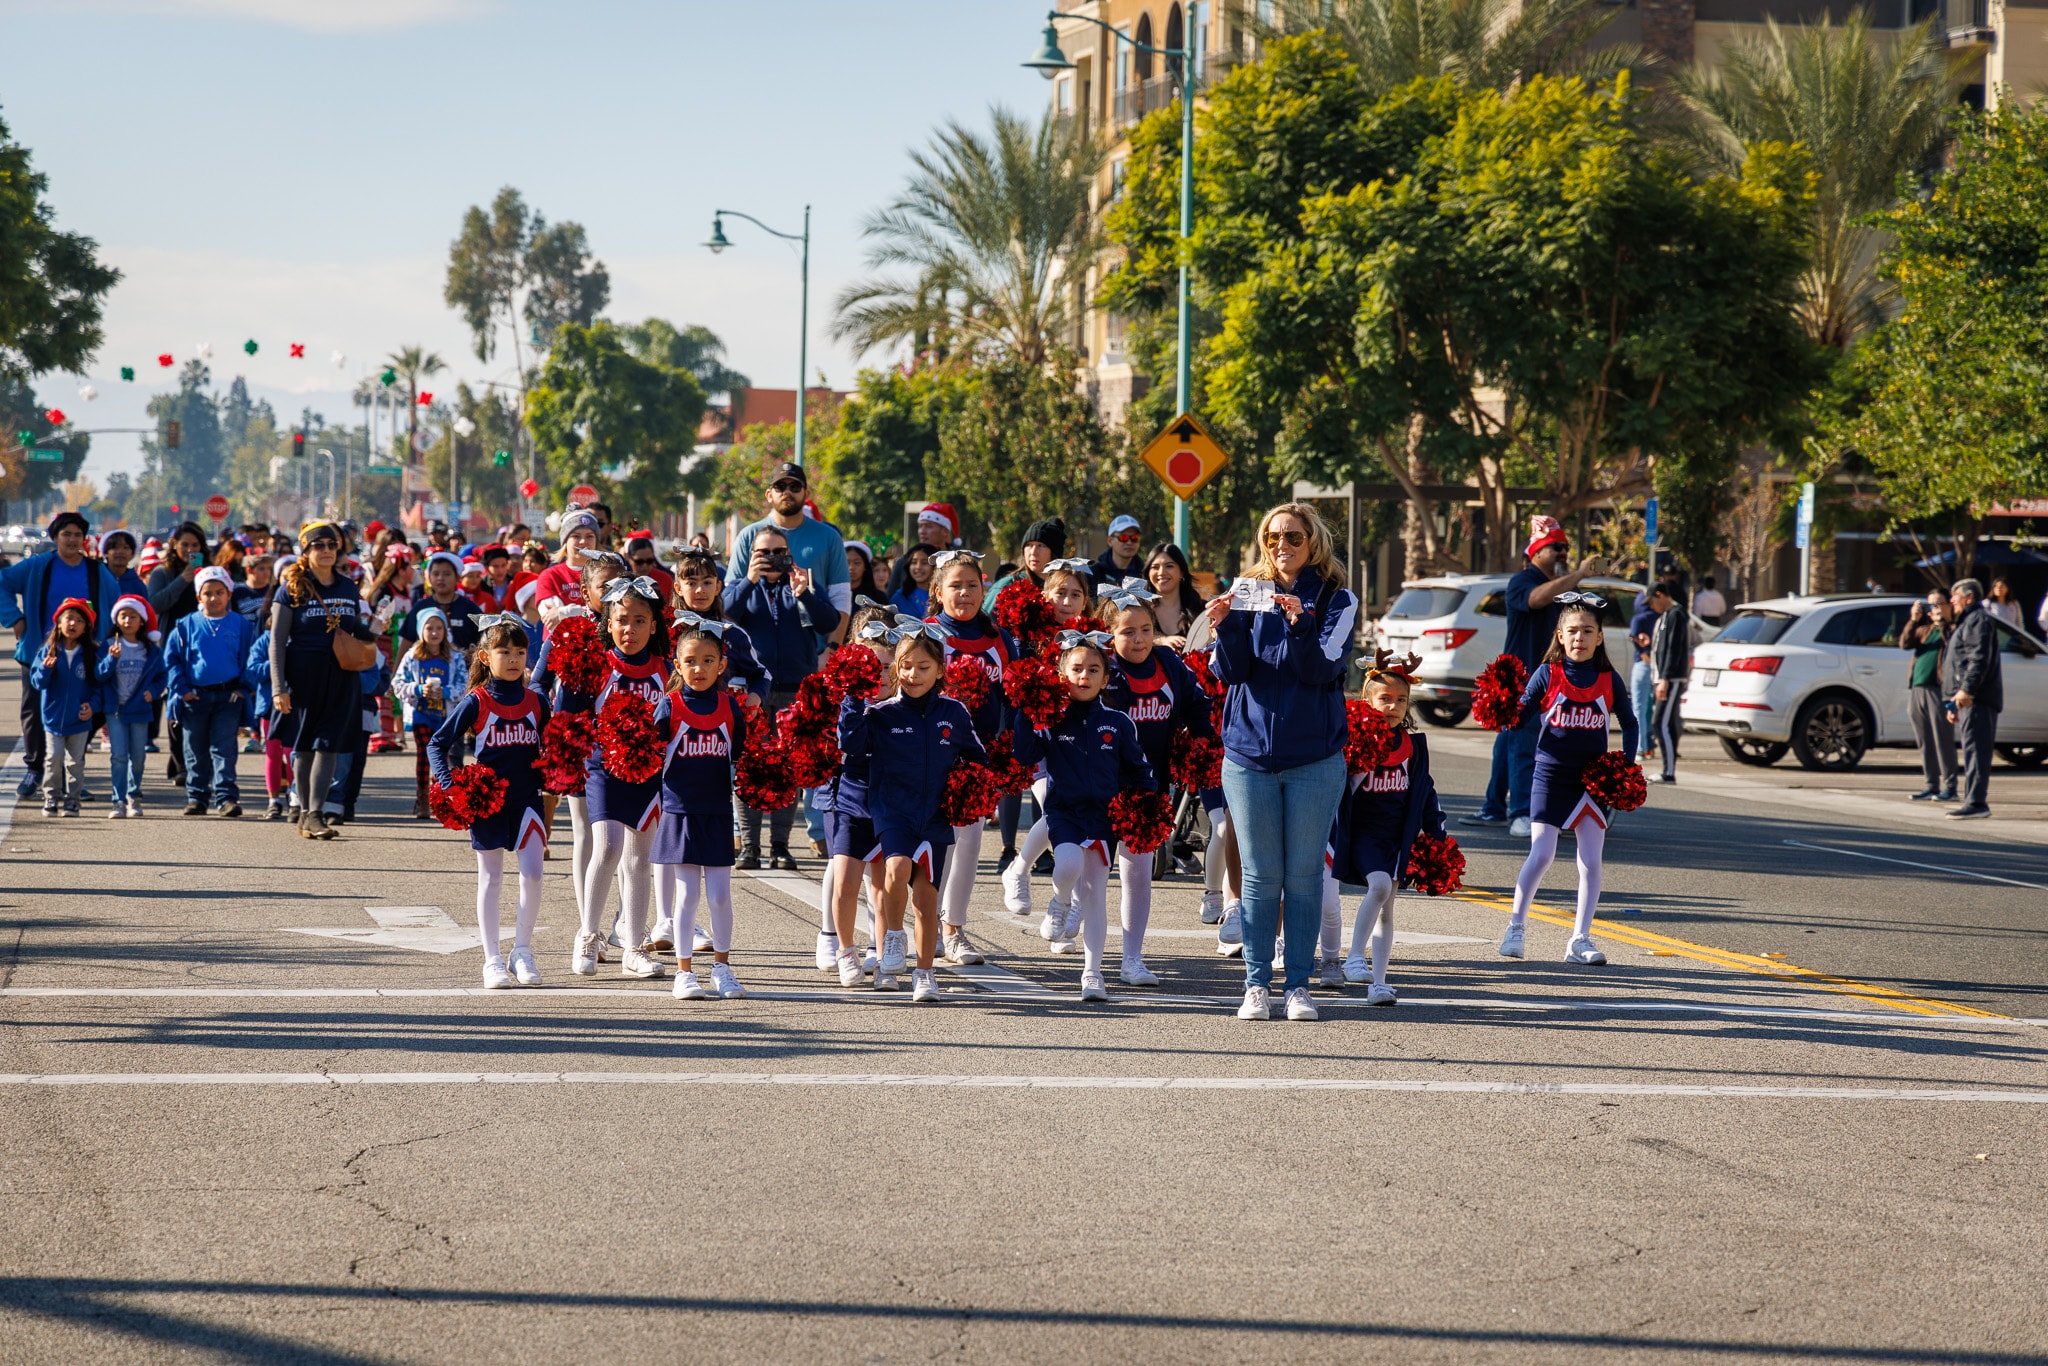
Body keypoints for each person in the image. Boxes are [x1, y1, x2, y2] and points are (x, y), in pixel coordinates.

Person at [1200, 502, 1359, 1023]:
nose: (1281, 545)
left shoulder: (1338, 598)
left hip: (1314, 757)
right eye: (1272, 536)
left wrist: (1300, 622)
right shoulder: (1248, 590)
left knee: (1305, 876)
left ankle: (1298, 987)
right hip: (1248, 754)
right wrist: (1223, 626)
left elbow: (1321, 670)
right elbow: (1232, 672)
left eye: (1292, 535)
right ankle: (1255, 984)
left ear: (1313, 540)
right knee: (1260, 877)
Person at [838, 622, 986, 1000]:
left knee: (926, 899)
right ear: (894, 669)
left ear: (940, 670)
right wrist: (853, 698)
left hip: (935, 815)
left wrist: (973, 786)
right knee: (897, 867)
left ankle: (924, 973)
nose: (913, 674)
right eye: (905, 666)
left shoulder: (954, 712)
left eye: (923, 667)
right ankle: (892, 936)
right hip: (893, 811)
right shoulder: (881, 713)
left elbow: (977, 758)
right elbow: (852, 744)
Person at [1011, 629, 1157, 1002]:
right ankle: (1059, 901)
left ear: (1106, 679)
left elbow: (1138, 769)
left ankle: (1092, 974)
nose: (1084, 676)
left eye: (1094, 670)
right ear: (1062, 675)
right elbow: (1026, 755)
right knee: (1067, 865)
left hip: (1104, 818)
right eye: (1076, 669)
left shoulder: (1118, 722)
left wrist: (1145, 804)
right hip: (1065, 811)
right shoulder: (1052, 718)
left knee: (1094, 895)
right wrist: (1026, 712)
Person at [1497, 594, 1639, 965]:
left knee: (1591, 862)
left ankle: (1579, 939)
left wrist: (1625, 765)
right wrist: (1502, 704)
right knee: (1542, 853)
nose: (1580, 638)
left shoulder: (1609, 678)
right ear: (1560, 635)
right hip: (1549, 775)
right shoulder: (1548, 674)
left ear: (1600, 637)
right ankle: (1516, 926)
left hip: (1592, 781)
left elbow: (1630, 722)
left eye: (1587, 631)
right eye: (1573, 631)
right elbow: (1518, 715)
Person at [1095, 584, 1214, 986]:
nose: (1139, 639)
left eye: (1146, 629)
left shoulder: (1167, 663)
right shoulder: (1100, 667)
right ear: (1110, 633)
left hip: (1147, 790)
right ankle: (1068, 910)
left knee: (1137, 877)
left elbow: (1199, 706)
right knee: (1088, 874)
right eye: (1128, 631)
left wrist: (1202, 740)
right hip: (1095, 788)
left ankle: (1132, 959)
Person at [427, 616, 550, 990]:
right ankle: (492, 959)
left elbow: (551, 746)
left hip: (528, 802)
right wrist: (450, 786)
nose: (513, 659)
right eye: (504, 652)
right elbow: (437, 744)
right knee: (491, 879)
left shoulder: (536, 701)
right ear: (485, 656)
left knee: (533, 874)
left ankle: (523, 951)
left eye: (519, 652)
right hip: (488, 803)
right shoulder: (476, 701)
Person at [1461, 516, 1602, 837]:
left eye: (1565, 547)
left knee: (1508, 745)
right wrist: (1578, 574)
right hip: (1521, 679)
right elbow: (1535, 599)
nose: (1562, 553)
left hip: (1553, 679)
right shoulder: (1522, 581)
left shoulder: (1568, 588)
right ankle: (1522, 813)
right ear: (1536, 552)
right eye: (1555, 547)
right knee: (1523, 745)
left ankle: (1493, 807)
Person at [722, 524, 841, 870]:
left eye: (778, 552)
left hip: (793, 688)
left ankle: (780, 846)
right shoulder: (742, 586)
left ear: (789, 554)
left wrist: (804, 592)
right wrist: (749, 580)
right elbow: (726, 613)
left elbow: (829, 620)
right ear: (751, 555)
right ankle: (749, 845)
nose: (772, 558)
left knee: (788, 769)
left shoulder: (800, 586)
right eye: (763, 552)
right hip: (753, 688)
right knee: (750, 767)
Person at [1331, 653, 1446, 1006]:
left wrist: (1437, 836)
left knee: (1387, 908)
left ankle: (1378, 982)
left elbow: (1424, 791)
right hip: (1363, 833)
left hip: (1398, 835)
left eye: (1401, 700)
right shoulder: (1352, 739)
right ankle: (1353, 957)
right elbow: (1338, 787)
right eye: (1385, 699)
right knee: (1379, 886)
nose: (1393, 706)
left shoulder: (1413, 745)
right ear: (1367, 700)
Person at [572, 575, 672, 979]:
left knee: (639, 857)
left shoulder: (666, 669)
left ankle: (634, 946)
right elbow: (571, 715)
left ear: (654, 625)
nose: (629, 629)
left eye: (639, 621)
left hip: (649, 772)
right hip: (602, 767)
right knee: (609, 846)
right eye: (622, 620)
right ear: (608, 623)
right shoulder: (597, 665)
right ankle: (588, 936)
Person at [923, 549, 1018, 966]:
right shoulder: (925, 633)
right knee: (932, 846)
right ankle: (927, 925)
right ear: (938, 591)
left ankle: (954, 929)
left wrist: (1010, 745)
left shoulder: (1000, 638)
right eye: (955, 586)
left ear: (984, 588)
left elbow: (1015, 696)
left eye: (972, 585)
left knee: (969, 844)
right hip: (927, 755)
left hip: (977, 758)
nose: (964, 593)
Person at [652, 617, 750, 1001]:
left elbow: (742, 756)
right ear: (677, 665)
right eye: (690, 661)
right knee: (687, 895)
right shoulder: (669, 705)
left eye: (708, 660)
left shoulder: (729, 706)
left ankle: (722, 968)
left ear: (721, 664)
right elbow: (646, 756)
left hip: (717, 812)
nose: (699, 668)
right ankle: (684, 971)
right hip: (679, 814)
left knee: (721, 896)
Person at [1, 511, 120, 797]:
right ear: (55, 537)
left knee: (87, 711)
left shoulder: (95, 570)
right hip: (39, 653)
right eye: (66, 534)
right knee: (34, 711)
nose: (72, 539)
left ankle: (72, 774)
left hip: (83, 656)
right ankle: (35, 769)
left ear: (84, 539)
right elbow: (2, 582)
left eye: (77, 535)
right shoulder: (38, 566)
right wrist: (15, 619)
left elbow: (116, 601)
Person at [269, 522, 376, 840]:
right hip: (303, 677)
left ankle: (315, 813)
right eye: (319, 545)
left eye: (332, 544)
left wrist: (374, 631)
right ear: (306, 550)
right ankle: (304, 811)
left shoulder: (347, 586)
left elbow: (353, 628)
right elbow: (277, 641)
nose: (327, 550)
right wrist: (278, 687)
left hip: (341, 676)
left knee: (328, 745)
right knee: (303, 746)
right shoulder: (290, 588)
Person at [820, 603, 897, 986]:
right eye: (873, 667)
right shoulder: (850, 701)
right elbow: (848, 741)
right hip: (850, 801)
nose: (880, 675)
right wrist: (854, 698)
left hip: (888, 805)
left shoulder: (905, 705)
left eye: (887, 668)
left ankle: (883, 959)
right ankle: (845, 951)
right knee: (846, 882)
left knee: (883, 888)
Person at [164, 567, 255, 817]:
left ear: (228, 594)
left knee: (224, 749)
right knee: (195, 750)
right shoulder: (185, 626)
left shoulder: (241, 625)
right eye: (208, 593)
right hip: (195, 697)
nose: (213, 598)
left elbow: (250, 657)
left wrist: (244, 688)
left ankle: (226, 797)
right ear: (198, 597)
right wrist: (181, 689)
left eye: (219, 592)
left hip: (229, 698)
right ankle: (197, 797)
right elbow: (171, 660)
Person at [726, 462, 852, 635]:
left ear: (806, 494)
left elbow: (841, 598)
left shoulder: (829, 537)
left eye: (795, 486)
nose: (787, 492)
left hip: (814, 652)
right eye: (780, 486)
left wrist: (831, 650)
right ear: (769, 494)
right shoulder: (748, 536)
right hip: (753, 654)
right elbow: (727, 603)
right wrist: (750, 579)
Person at [28, 598, 102, 816]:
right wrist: (45, 670)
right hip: (53, 718)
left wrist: (92, 706)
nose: (73, 624)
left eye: (80, 620)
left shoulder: (91, 654)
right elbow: (37, 683)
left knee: (75, 762)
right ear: (59, 622)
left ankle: (72, 800)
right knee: (53, 759)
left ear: (86, 627)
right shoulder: (48, 651)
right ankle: (51, 796)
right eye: (69, 618)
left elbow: (99, 686)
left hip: (80, 719)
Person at [392, 606, 468, 818]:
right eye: (429, 628)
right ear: (421, 631)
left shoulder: (454, 657)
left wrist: (444, 692)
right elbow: (398, 684)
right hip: (421, 715)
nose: (434, 633)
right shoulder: (412, 656)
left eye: (438, 628)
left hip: (447, 717)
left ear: (445, 631)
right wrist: (418, 689)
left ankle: (444, 798)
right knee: (425, 756)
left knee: (446, 758)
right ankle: (423, 799)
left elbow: (464, 687)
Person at [97, 595, 165, 817]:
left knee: (138, 756)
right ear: (116, 620)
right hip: (116, 710)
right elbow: (99, 675)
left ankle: (133, 797)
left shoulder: (151, 650)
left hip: (140, 710)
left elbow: (162, 677)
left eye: (133, 616)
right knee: (118, 756)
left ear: (142, 621)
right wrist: (111, 659)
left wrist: (152, 692)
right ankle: (118, 801)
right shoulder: (108, 646)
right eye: (123, 616)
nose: (127, 621)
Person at [1943, 578, 2003, 820]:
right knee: (1971, 750)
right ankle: (1973, 800)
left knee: (1977, 751)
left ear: (1969, 597)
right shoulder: (1968, 621)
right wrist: (1953, 701)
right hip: (1967, 699)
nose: (1951, 601)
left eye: (1954, 596)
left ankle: (1977, 802)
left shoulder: (1979, 621)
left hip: (1977, 699)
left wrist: (1966, 690)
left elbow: (1978, 659)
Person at [1900, 596, 1959, 802]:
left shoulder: (1952, 628)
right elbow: (1905, 643)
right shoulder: (1924, 630)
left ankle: (1950, 787)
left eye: (1938, 604)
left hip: (1938, 689)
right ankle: (1931, 785)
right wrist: (1913, 620)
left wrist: (1943, 621)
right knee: (1925, 740)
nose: (1934, 609)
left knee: (1942, 740)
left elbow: (1951, 644)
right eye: (1931, 606)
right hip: (1917, 689)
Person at [1647, 580, 1690, 784]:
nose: (1652, 607)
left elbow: (1673, 648)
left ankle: (1669, 771)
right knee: (1664, 723)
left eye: (1652, 601)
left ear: (1660, 595)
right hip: (1664, 677)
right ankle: (1667, 770)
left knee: (1660, 722)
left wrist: (1664, 677)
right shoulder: (1666, 616)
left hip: (1671, 678)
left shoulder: (1676, 615)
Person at [531, 509, 605, 628]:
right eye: (576, 536)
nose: (583, 541)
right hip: (559, 645)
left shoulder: (608, 575)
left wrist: (565, 612)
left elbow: (610, 614)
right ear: (565, 541)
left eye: (589, 536)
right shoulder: (549, 575)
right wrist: (593, 612)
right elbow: (551, 619)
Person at [401, 551, 485, 652]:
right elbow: (407, 640)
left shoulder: (470, 608)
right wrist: (397, 667)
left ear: (457, 578)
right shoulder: (421, 607)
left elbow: (486, 641)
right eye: (436, 574)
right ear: (429, 578)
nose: (440, 578)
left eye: (447, 574)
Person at [1143, 543, 1205, 650]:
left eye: (1169, 566)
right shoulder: (1139, 610)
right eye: (1155, 567)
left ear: (1182, 572)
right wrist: (1160, 640)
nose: (1161, 572)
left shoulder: (1202, 610)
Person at [989, 518, 1067, 598]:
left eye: (1040, 546)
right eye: (1029, 545)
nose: (1033, 552)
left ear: (1054, 554)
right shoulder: (1007, 586)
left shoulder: (1066, 589)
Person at [1627, 591, 1659, 763]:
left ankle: (1640, 748)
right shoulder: (1662, 617)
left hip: (1642, 664)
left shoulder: (1639, 619)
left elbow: (1635, 641)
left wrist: (1644, 656)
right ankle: (1649, 746)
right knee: (1649, 709)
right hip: (1658, 667)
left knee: (1638, 708)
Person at [1089, 514, 1144, 588]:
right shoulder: (1093, 574)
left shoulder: (1146, 574)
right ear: (1110, 541)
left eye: (1134, 538)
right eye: (1123, 537)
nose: (1129, 542)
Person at [891, 544, 935, 618]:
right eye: (914, 562)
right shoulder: (900, 597)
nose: (918, 567)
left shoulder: (942, 595)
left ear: (934, 567)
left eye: (924, 563)